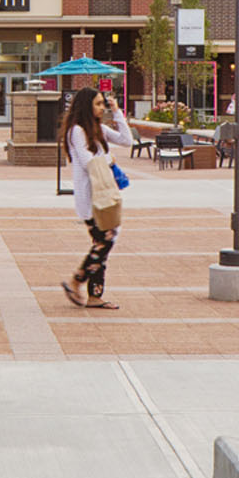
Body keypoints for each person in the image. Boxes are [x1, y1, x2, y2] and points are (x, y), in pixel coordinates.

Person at [58, 86, 137, 310]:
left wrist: (117, 111)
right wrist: (109, 160)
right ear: (86, 105)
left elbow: (126, 140)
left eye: (103, 104)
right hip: (90, 198)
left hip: (104, 194)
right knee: (105, 240)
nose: (102, 108)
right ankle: (76, 280)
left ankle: (95, 295)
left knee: (102, 242)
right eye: (98, 104)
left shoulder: (98, 129)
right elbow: (86, 162)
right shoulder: (77, 131)